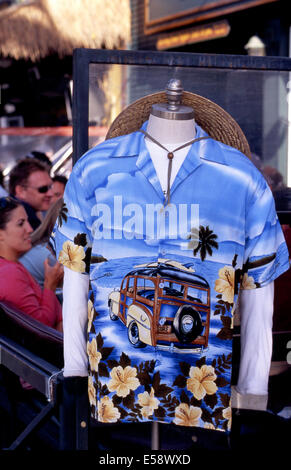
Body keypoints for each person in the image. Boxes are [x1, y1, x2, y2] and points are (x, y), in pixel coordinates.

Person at [52, 81, 289, 446]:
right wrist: (74, 374)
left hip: (203, 396)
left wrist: (253, 393)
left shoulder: (242, 178)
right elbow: (74, 278)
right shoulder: (94, 169)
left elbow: (260, 295)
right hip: (111, 392)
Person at [0, 197, 63, 331]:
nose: (29, 229)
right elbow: (41, 327)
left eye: (27, 221)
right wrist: (49, 285)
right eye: (21, 223)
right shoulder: (10, 273)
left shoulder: (12, 265)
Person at [8, 158, 53, 230]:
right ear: (21, 191)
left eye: (51, 187)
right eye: (43, 189)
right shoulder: (29, 222)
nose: (50, 193)